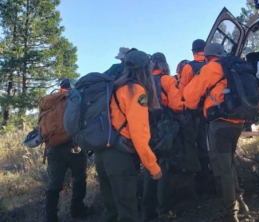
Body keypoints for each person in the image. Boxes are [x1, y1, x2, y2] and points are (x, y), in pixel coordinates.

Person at [183, 43, 249, 222]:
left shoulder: (211, 68)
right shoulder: (233, 66)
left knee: (222, 169)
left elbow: (189, 97)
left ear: (208, 56)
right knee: (229, 165)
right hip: (238, 121)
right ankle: (241, 205)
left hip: (220, 124)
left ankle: (230, 214)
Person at [94, 50, 162, 222]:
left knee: (112, 210)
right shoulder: (136, 91)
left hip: (102, 154)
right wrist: (152, 166)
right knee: (128, 213)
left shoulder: (115, 86)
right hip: (120, 158)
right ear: (146, 69)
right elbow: (139, 134)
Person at [142, 52, 183, 221]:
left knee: (148, 167)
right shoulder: (167, 80)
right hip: (164, 128)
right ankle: (164, 210)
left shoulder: (142, 83)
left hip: (145, 129)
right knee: (162, 166)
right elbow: (177, 106)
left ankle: (147, 211)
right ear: (164, 64)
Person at [45, 78, 90, 222]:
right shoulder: (76, 97)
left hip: (52, 147)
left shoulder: (51, 101)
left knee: (54, 184)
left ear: (60, 87)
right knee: (79, 177)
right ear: (72, 86)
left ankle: (51, 217)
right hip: (73, 146)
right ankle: (77, 209)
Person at [179, 39, 210, 198]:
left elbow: (182, 91)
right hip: (211, 112)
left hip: (193, 112)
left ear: (193, 51)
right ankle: (210, 180)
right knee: (208, 145)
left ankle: (196, 181)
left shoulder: (189, 67)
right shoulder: (211, 64)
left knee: (192, 145)